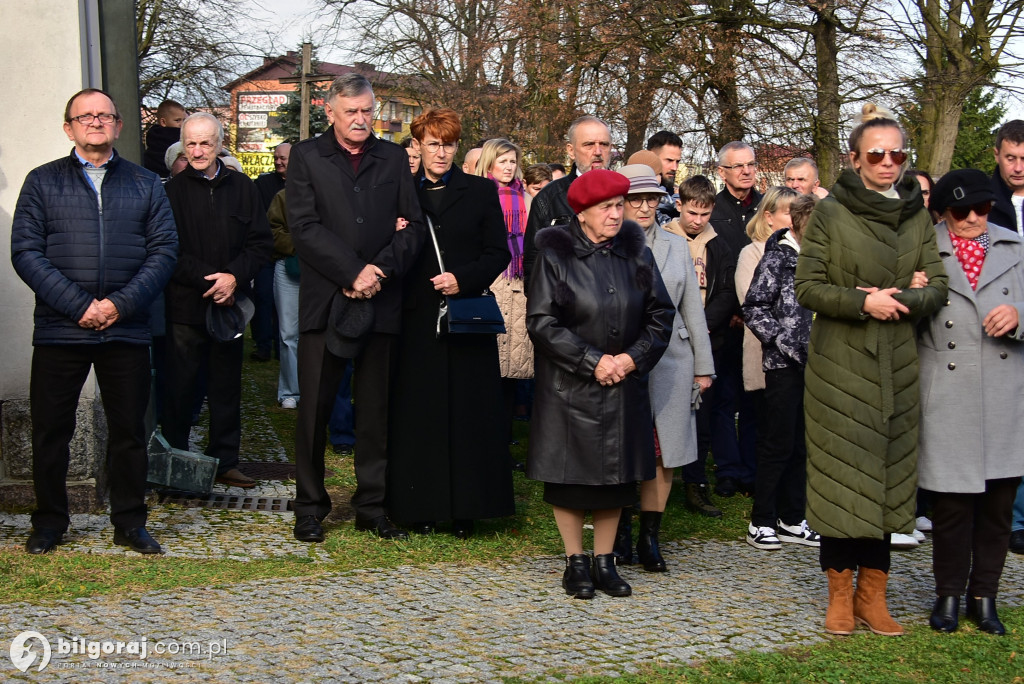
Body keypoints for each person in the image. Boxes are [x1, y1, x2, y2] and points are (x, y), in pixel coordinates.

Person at [795, 103, 948, 637]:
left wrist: (901, 297)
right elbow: (807, 288)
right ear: (856, 159)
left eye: (897, 154)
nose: (887, 162)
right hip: (841, 363)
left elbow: (939, 289)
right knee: (841, 479)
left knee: (888, 481)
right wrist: (863, 304)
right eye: (876, 154)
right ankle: (839, 594)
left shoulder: (917, 217)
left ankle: (872, 596)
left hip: (899, 365)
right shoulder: (831, 214)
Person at [11, 88, 178, 554]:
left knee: (128, 432)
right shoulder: (42, 182)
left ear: (119, 126)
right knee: (50, 431)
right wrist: (79, 306)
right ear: (69, 128)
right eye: (85, 116)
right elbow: (26, 252)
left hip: (125, 328)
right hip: (61, 328)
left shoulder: (146, 184)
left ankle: (129, 521)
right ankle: (49, 522)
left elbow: (164, 253)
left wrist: (118, 306)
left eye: (104, 115)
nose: (96, 122)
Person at [286, 73, 425, 543]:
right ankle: (309, 506)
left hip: (382, 302)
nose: (363, 119)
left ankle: (372, 506)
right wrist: (352, 272)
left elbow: (413, 229)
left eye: (368, 111)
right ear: (330, 111)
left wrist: (378, 272)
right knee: (314, 412)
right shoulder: (306, 157)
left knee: (375, 411)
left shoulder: (392, 158)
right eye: (352, 112)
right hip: (326, 302)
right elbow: (303, 227)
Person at [527, 169, 674, 598]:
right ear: (583, 212)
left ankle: (605, 561)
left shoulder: (636, 253)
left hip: (623, 384)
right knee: (570, 480)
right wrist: (592, 361)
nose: (617, 214)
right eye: (607, 207)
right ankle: (576, 561)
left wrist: (630, 359)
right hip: (569, 387)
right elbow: (541, 322)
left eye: (619, 206)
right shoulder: (556, 255)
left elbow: (660, 315)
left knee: (616, 477)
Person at [386, 110, 514, 537]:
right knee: (419, 412)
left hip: (465, 317)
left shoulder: (479, 191)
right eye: (433, 143)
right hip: (416, 317)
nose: (441, 152)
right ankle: (421, 504)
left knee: (469, 412)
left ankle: (466, 508)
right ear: (418, 145)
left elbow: (499, 252)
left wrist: (464, 278)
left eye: (448, 144)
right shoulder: (401, 191)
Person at [916, 168, 1024, 635]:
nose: (974, 218)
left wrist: (1020, 315)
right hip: (947, 391)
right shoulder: (922, 249)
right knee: (953, 507)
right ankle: (948, 595)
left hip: (1005, 391)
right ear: (943, 212)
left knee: (999, 505)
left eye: (982, 208)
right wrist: (913, 293)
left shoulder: (1015, 247)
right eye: (962, 211)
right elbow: (896, 318)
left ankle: (985, 597)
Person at [163, 112, 274, 491]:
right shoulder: (170, 192)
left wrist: (234, 277)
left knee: (227, 388)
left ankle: (226, 462)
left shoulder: (244, 188)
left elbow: (261, 243)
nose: (197, 150)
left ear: (219, 144)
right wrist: (209, 280)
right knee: (179, 389)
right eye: (190, 143)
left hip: (230, 306)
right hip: (185, 306)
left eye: (205, 143)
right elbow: (166, 250)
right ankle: (174, 461)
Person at [613, 164, 713, 571]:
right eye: (634, 199)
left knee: (663, 452)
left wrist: (703, 367)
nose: (643, 207)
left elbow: (692, 308)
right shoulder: (609, 243)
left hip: (672, 360)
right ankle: (617, 533)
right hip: (623, 361)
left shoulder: (676, 247)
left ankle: (649, 538)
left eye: (650, 198)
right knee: (619, 449)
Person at [741, 193, 820, 551]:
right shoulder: (777, 258)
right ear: (799, 224)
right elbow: (754, 306)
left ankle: (793, 517)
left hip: (819, 365)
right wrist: (782, 341)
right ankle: (761, 520)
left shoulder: (822, 257)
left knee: (804, 443)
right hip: (783, 364)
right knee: (778, 441)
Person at [662, 176, 738, 518]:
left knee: (702, 417)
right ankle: (650, 483)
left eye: (705, 214)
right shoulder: (663, 239)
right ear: (680, 206)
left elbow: (726, 292)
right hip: (667, 340)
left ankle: (696, 483)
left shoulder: (719, 246)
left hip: (707, 338)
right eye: (693, 213)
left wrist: (702, 325)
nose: (698, 220)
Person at [476, 139, 535, 467]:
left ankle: (502, 446)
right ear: (489, 164)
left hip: (520, 287)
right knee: (487, 372)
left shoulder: (525, 198)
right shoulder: (479, 196)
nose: (509, 167)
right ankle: (483, 446)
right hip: (492, 285)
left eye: (513, 161)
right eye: (502, 161)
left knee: (512, 373)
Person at [707, 141, 761, 498]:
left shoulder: (766, 207)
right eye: (737, 166)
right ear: (721, 172)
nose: (746, 171)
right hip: (725, 323)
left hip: (760, 323)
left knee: (754, 399)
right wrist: (729, 312)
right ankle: (728, 469)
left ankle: (753, 469)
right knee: (723, 399)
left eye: (750, 165)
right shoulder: (713, 210)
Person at [523, 115, 613, 291]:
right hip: (567, 308)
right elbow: (533, 262)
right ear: (571, 150)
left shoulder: (627, 195)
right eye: (589, 144)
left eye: (604, 144)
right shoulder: (549, 197)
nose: (597, 151)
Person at [989, 120, 1024, 555]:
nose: (1018, 166)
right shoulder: (985, 202)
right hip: (998, 323)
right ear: (997, 154)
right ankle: (1013, 518)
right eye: (1011, 157)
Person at [250, 143, 291, 365]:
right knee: (264, 298)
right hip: (266, 254)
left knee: (284, 306)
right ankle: (263, 345)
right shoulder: (263, 184)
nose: (278, 162)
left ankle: (280, 346)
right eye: (276, 157)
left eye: (283, 158)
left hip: (289, 254)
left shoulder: (302, 185)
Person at [646, 130, 683, 224]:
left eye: (677, 161)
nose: (675, 168)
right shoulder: (631, 191)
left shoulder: (678, 192)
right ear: (652, 157)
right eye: (669, 160)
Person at [143, 99, 186, 177]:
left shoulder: (152, 138)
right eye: (177, 120)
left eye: (184, 120)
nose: (182, 124)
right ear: (163, 122)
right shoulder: (176, 138)